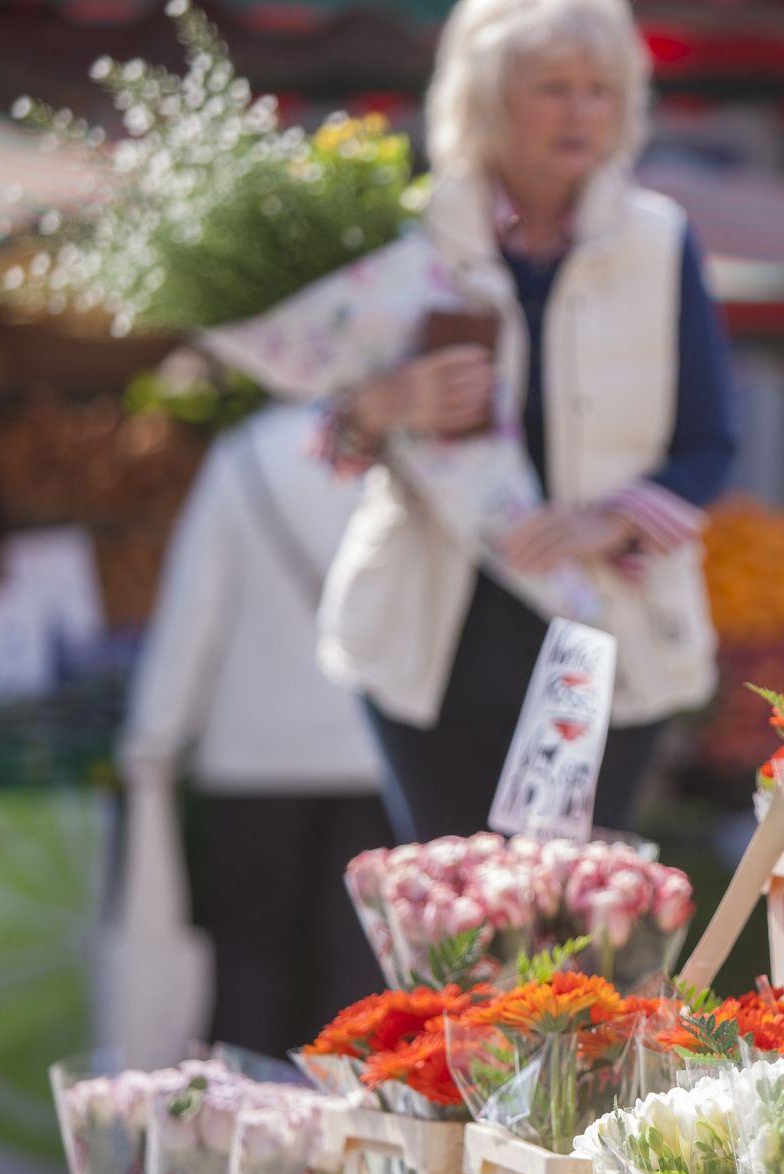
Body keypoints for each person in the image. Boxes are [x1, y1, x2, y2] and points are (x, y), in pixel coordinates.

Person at [312, 0, 735, 843]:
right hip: (431, 644)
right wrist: (384, 405)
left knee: (563, 917)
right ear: (488, 99)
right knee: (450, 920)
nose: (581, 113)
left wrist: (603, 521)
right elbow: (333, 445)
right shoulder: (407, 233)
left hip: (599, 632)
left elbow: (709, 445)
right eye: (552, 88)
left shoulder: (660, 241)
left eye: (600, 90)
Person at [122, 402, 391, 1056]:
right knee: (356, 990)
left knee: (249, 977)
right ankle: (349, 1153)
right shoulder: (402, 448)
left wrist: (153, 737)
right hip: (376, 760)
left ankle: (241, 1145)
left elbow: (194, 611)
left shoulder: (245, 454)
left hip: (251, 762)